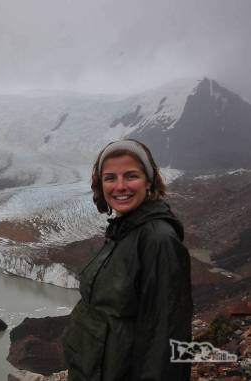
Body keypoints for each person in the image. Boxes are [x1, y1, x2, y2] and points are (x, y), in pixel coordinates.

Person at [62, 139, 193, 380]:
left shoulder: (158, 240)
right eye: (110, 178)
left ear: (149, 180)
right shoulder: (124, 231)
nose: (120, 186)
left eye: (131, 176)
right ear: (100, 184)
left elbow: (166, 332)